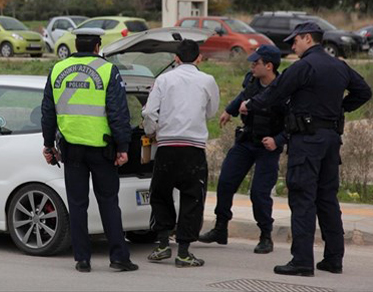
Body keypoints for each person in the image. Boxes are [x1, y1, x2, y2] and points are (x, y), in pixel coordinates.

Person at [239, 22, 372, 277]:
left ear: (308, 39)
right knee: (327, 199)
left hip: (307, 142)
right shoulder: (339, 65)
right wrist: (339, 109)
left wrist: (249, 105)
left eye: (295, 41)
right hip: (331, 140)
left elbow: (275, 93)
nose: (292, 46)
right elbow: (363, 91)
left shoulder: (304, 67)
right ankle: (333, 259)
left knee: (302, 198)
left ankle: (301, 261)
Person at [40, 28, 138, 273]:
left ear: (76, 44)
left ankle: (82, 259)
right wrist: (123, 146)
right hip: (102, 150)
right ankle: (118, 258)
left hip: (71, 150)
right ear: (97, 46)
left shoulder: (57, 69)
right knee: (108, 203)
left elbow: (47, 112)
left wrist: (48, 145)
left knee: (77, 205)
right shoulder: (106, 70)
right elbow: (118, 113)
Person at [199, 45, 287, 254]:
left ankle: (266, 235)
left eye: (256, 63)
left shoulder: (284, 89)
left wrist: (278, 140)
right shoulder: (251, 80)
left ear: (269, 66)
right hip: (246, 140)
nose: (252, 66)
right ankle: (221, 229)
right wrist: (229, 111)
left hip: (268, 146)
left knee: (259, 193)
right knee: (225, 182)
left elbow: (293, 122)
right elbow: (243, 95)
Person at [142, 39, 220, 267]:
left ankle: (163, 244)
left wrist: (151, 131)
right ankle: (184, 252)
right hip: (194, 149)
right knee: (193, 198)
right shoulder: (208, 80)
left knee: (160, 194)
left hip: (167, 147)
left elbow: (149, 112)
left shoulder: (164, 79)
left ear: (175, 58)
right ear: (199, 58)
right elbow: (212, 111)